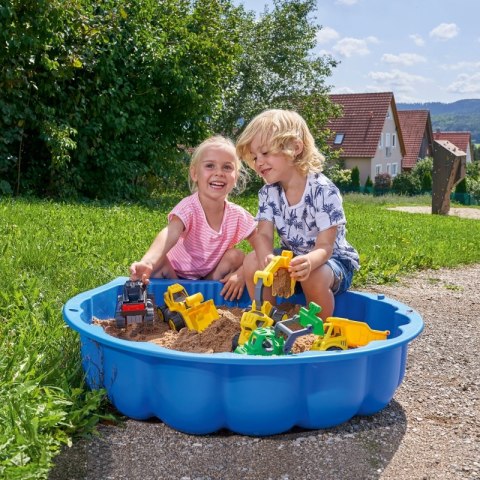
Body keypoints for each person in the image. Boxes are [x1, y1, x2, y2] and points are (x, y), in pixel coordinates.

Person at [236, 109, 359, 319]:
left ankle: (315, 327)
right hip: (292, 261)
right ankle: (265, 317)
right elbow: (263, 234)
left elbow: (325, 247)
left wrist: (309, 262)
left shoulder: (323, 191)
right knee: (252, 261)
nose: (258, 162)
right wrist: (266, 257)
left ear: (295, 147)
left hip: (331, 263)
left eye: (265, 153)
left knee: (314, 276)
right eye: (255, 157)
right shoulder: (268, 192)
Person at [129, 135, 257, 301]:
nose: (219, 173)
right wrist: (148, 262)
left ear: (236, 176)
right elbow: (170, 233)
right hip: (174, 277)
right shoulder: (189, 208)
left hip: (210, 278)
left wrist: (242, 273)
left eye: (227, 167)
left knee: (237, 256)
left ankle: (208, 295)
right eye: (210, 166)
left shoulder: (237, 215)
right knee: (159, 261)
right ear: (195, 173)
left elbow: (262, 246)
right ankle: (173, 298)